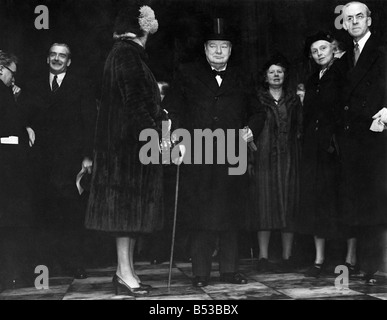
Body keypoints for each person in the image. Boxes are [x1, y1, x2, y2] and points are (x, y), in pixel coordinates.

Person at [164, 18, 266, 288]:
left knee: (232, 213)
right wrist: (177, 138)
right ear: (205, 49)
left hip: (232, 155)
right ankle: (200, 273)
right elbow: (171, 109)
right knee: (200, 215)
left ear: (231, 50)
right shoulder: (187, 73)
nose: (218, 51)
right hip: (198, 154)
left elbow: (258, 112)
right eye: (213, 46)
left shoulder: (242, 75)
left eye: (224, 46)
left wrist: (251, 131)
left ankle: (230, 271)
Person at [85, 4, 163, 296]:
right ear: (144, 30)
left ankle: (126, 272)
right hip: (127, 150)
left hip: (124, 147)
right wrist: (156, 135)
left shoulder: (121, 53)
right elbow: (134, 104)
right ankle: (124, 274)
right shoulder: (128, 55)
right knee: (125, 214)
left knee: (128, 216)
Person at [21, 42, 97, 279]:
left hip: (70, 160)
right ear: (47, 58)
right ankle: (45, 265)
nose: (56, 59)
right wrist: (26, 127)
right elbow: (23, 115)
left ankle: (74, 264)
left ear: (69, 61)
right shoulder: (33, 85)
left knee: (70, 214)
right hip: (40, 160)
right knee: (43, 212)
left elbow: (89, 121)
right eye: (53, 54)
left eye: (62, 56)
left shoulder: (81, 85)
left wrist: (87, 156)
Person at [336, 1, 387, 284]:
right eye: (348, 18)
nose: (354, 22)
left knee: (378, 205)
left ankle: (378, 268)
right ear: (343, 24)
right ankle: (369, 268)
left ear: (369, 20)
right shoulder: (344, 61)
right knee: (363, 206)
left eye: (359, 17)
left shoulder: (382, 51)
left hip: (379, 139)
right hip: (354, 143)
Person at [298, 31, 347, 277]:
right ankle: (319, 260)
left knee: (336, 202)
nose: (319, 54)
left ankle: (341, 261)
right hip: (314, 148)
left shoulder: (341, 73)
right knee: (317, 202)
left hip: (334, 147)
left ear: (333, 50)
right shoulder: (311, 79)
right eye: (315, 51)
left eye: (323, 49)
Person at [247, 55, 302, 273]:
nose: (276, 75)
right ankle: (263, 257)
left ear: (285, 75)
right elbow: (249, 132)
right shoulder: (258, 99)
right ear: (265, 76)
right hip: (263, 160)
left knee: (289, 206)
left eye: (279, 71)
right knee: (264, 206)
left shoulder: (293, 100)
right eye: (272, 72)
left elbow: (300, 128)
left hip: (289, 159)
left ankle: (288, 256)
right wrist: (251, 158)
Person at [0, 51, 36, 289]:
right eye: (10, 73)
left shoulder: (9, 93)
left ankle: (11, 273)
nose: (13, 79)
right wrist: (24, 134)